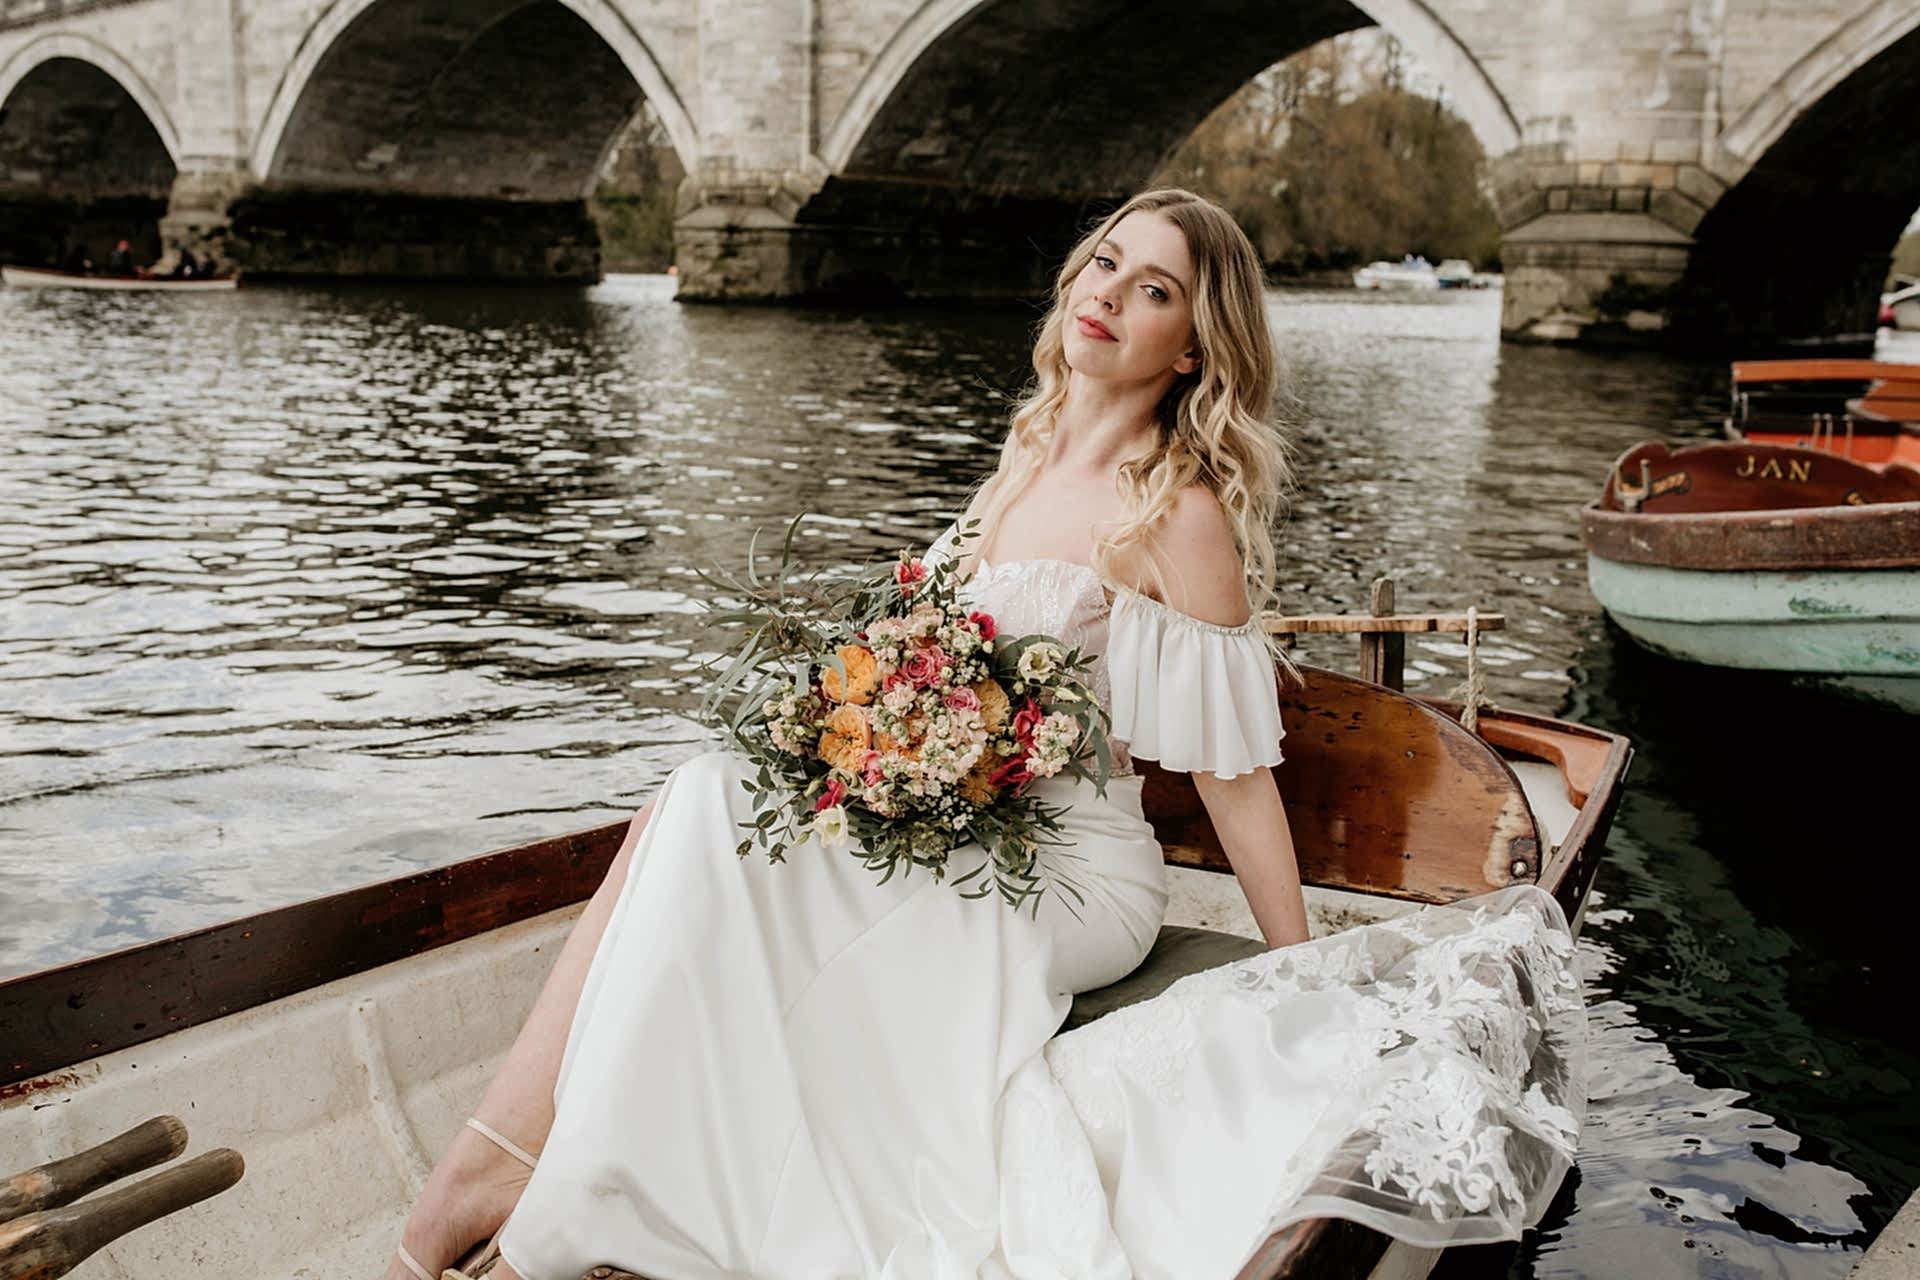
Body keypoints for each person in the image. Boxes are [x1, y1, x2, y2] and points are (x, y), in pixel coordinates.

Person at [385, 188, 1580, 1280]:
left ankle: (497, 1182)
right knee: (705, 806)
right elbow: (929, 653)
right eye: (1104, 264)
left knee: (712, 821)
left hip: (1071, 870)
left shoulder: (1180, 511)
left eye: (1153, 288)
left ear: (1196, 344)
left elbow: (1233, 777)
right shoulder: (1023, 452)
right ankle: (545, 1167)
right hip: (955, 820)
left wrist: (1294, 969)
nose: (1107, 293)